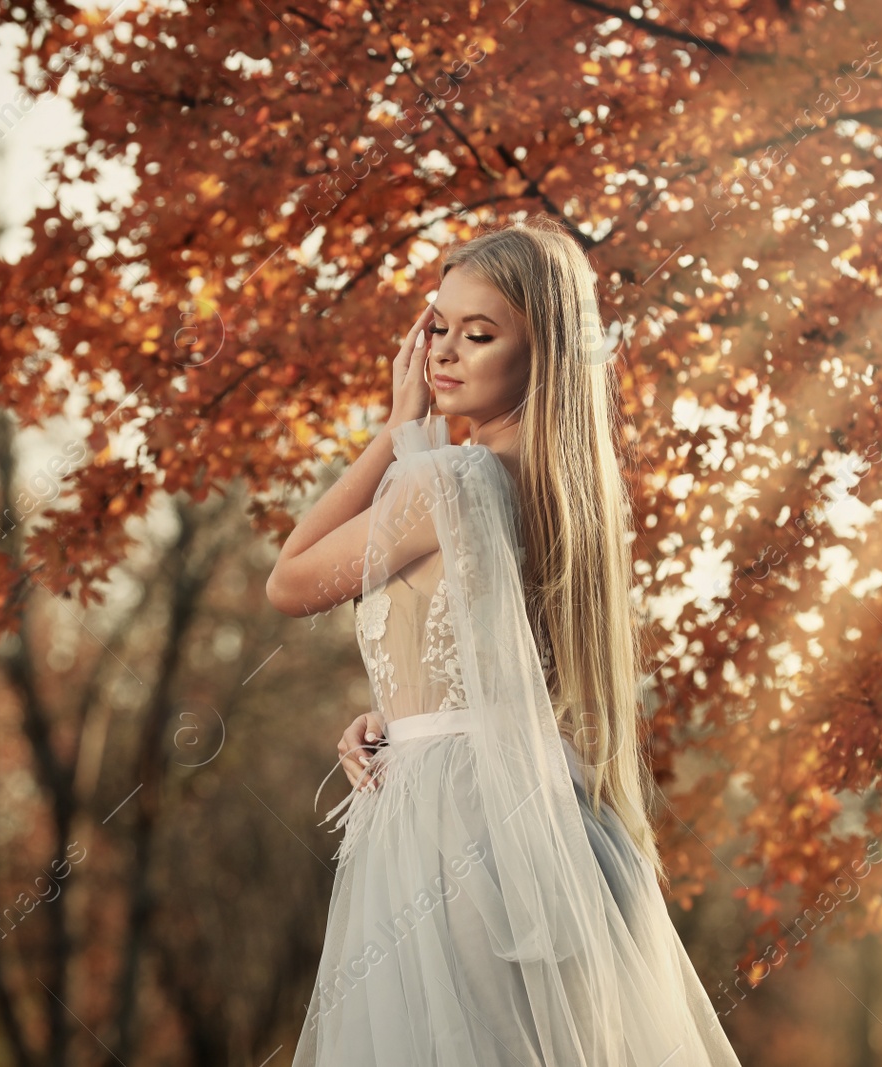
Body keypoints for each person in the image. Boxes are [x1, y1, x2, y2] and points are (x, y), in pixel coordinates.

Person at [267, 216, 744, 1066]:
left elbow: (289, 579)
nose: (445, 354)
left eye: (479, 334)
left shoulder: (448, 478)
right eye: (437, 328)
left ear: (544, 352)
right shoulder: (572, 492)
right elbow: (496, 670)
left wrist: (393, 427)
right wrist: (397, 714)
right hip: (547, 821)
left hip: (452, 830)